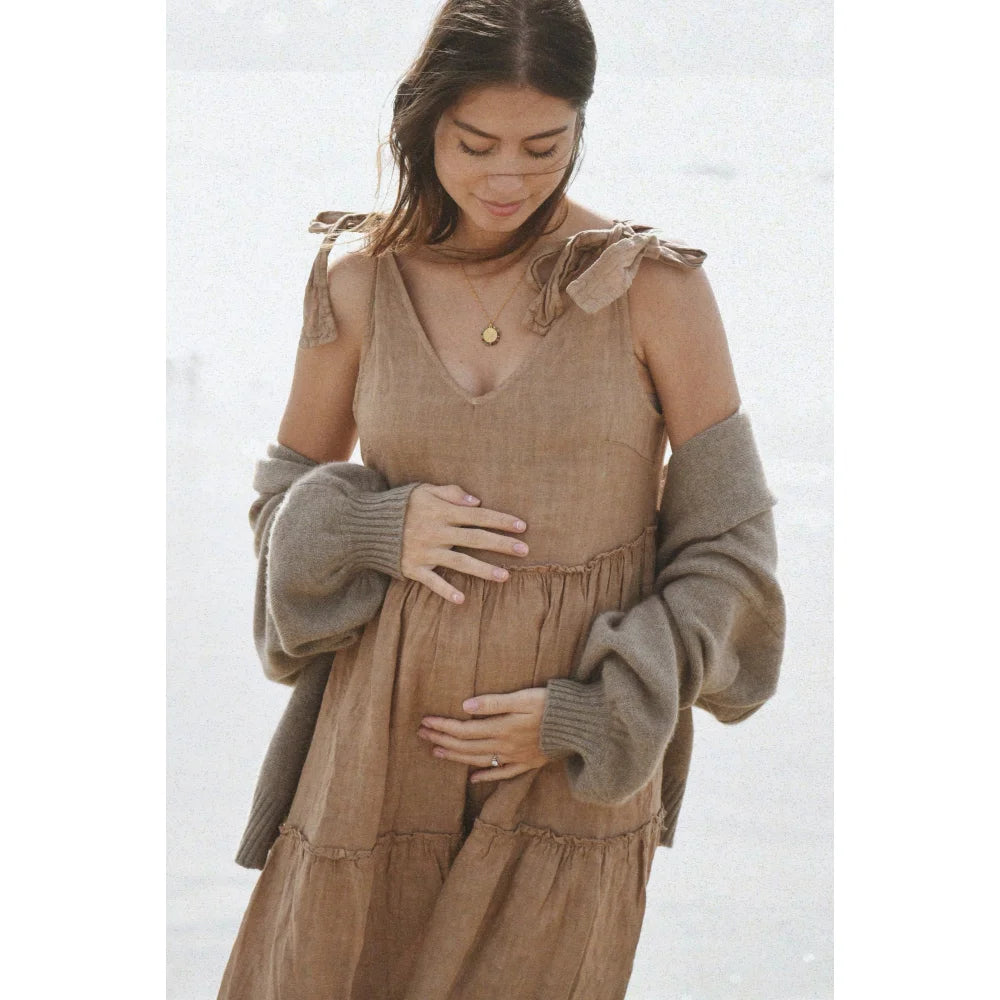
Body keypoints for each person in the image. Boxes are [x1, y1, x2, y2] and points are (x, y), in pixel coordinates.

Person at [218, 1, 786, 997]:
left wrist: (590, 716)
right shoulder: (358, 279)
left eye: (544, 146)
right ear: (423, 121)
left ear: (581, 126)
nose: (508, 178)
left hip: (560, 778)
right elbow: (279, 503)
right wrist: (374, 526)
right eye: (475, 145)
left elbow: (731, 552)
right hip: (370, 758)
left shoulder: (655, 290)